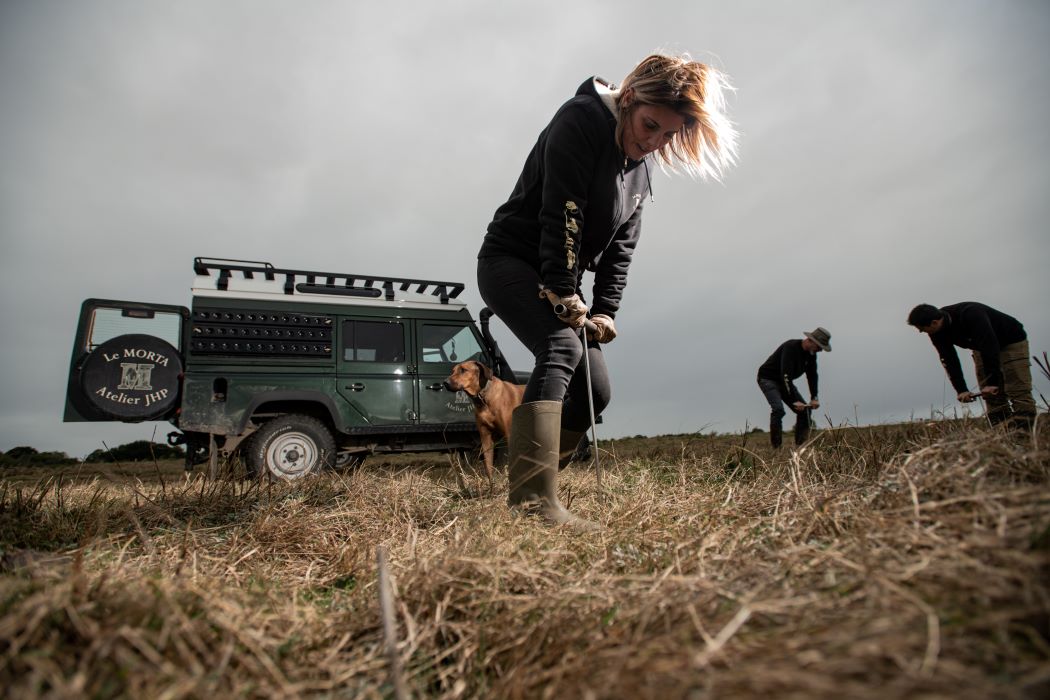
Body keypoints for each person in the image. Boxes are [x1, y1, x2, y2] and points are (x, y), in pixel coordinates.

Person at [477, 53, 738, 525]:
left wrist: (605, 310)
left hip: (563, 279)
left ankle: (530, 473)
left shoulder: (642, 167)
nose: (655, 142)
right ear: (631, 99)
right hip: (510, 262)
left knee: (595, 388)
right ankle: (533, 502)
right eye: (650, 125)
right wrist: (561, 290)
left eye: (669, 135)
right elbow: (565, 212)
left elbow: (623, 246)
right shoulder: (580, 120)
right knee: (558, 347)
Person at [907, 302, 1036, 429]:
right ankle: (1003, 436)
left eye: (922, 329)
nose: (920, 331)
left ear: (934, 322)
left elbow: (989, 345)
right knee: (992, 396)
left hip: (1011, 342)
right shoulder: (936, 332)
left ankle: (1026, 435)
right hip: (981, 347)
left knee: (1018, 389)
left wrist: (992, 383)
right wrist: (961, 389)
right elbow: (948, 358)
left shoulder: (971, 313)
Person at [756, 328, 831, 448]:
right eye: (819, 347)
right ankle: (776, 448)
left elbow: (812, 376)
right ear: (810, 340)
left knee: (805, 411)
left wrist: (814, 397)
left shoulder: (811, 355)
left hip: (785, 382)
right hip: (768, 379)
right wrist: (794, 400)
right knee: (778, 410)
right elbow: (785, 374)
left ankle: (800, 448)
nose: (820, 350)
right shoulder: (790, 347)